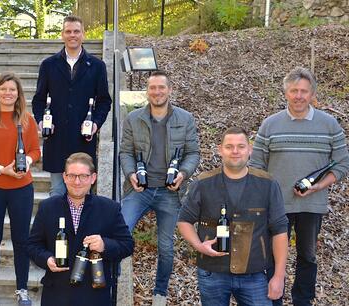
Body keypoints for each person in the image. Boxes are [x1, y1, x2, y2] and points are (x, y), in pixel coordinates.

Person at [249, 67, 349, 306]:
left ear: (312, 93)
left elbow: (343, 164)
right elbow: (255, 165)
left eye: (304, 91)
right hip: (275, 205)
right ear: (286, 93)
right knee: (272, 256)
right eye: (294, 90)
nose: (299, 96)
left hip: (311, 204)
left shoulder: (328, 124)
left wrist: (318, 186)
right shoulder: (270, 124)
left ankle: (302, 301)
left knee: (307, 256)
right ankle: (274, 300)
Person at [177, 127, 289, 306]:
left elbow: (280, 231)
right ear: (220, 149)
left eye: (241, 146)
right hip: (212, 272)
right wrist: (199, 246)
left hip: (255, 273)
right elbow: (184, 221)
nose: (235, 151)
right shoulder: (203, 183)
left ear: (250, 150)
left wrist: (278, 276)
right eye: (229, 146)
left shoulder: (267, 184)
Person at [118, 70, 199, 305]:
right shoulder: (134, 118)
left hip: (169, 192)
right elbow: (126, 152)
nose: (157, 92)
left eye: (161, 87)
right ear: (147, 91)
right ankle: (115, 279)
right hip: (139, 189)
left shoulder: (185, 119)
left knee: (166, 246)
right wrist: (130, 173)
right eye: (152, 88)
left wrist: (183, 174)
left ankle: (160, 293)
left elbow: (193, 153)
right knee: (121, 230)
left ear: (169, 90)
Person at [26, 152, 134, 306]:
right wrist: (47, 258)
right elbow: (32, 246)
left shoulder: (109, 208)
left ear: (93, 178)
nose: (77, 181)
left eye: (83, 176)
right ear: (64, 177)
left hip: (94, 296)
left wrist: (105, 245)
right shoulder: (47, 207)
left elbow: (127, 245)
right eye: (72, 176)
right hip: (56, 295)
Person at [0, 73, 41, 305]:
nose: (8, 93)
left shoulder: (27, 120)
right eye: (3, 89)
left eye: (12, 90)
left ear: (18, 94)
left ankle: (22, 289)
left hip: (22, 189)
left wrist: (26, 164)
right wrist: (2, 169)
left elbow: (35, 151)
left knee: (21, 240)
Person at [31, 15, 111, 196]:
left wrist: (96, 124)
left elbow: (104, 101)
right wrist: (42, 122)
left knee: (84, 194)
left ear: (83, 34)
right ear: (62, 35)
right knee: (57, 193)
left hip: (83, 140)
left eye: (76, 31)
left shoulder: (97, 66)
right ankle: (58, 226)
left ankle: (82, 226)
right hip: (56, 140)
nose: (72, 35)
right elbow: (38, 100)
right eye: (68, 31)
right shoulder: (48, 65)